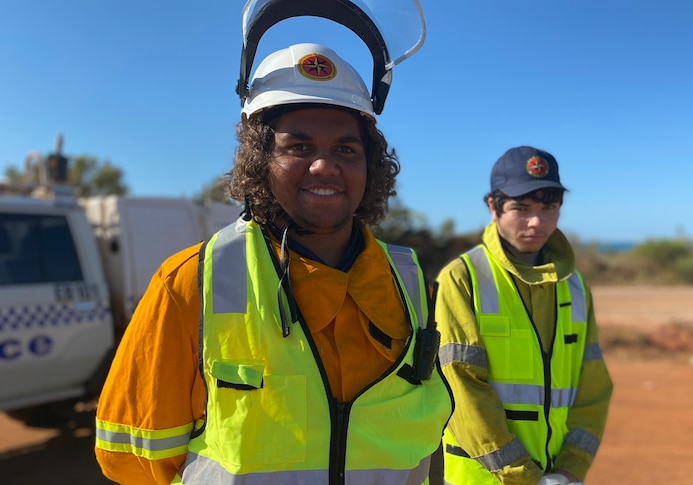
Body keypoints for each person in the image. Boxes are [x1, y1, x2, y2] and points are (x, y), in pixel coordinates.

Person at [94, 42, 453, 484]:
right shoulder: (190, 281)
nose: (324, 165)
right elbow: (134, 460)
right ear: (260, 162)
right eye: (298, 146)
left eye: (346, 150)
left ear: (371, 166)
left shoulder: (411, 282)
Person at [434, 146, 614, 485]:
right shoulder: (463, 278)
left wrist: (570, 470)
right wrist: (524, 477)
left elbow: (593, 388)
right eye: (522, 207)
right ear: (493, 207)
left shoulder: (574, 286)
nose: (537, 221)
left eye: (549, 207)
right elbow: (459, 387)